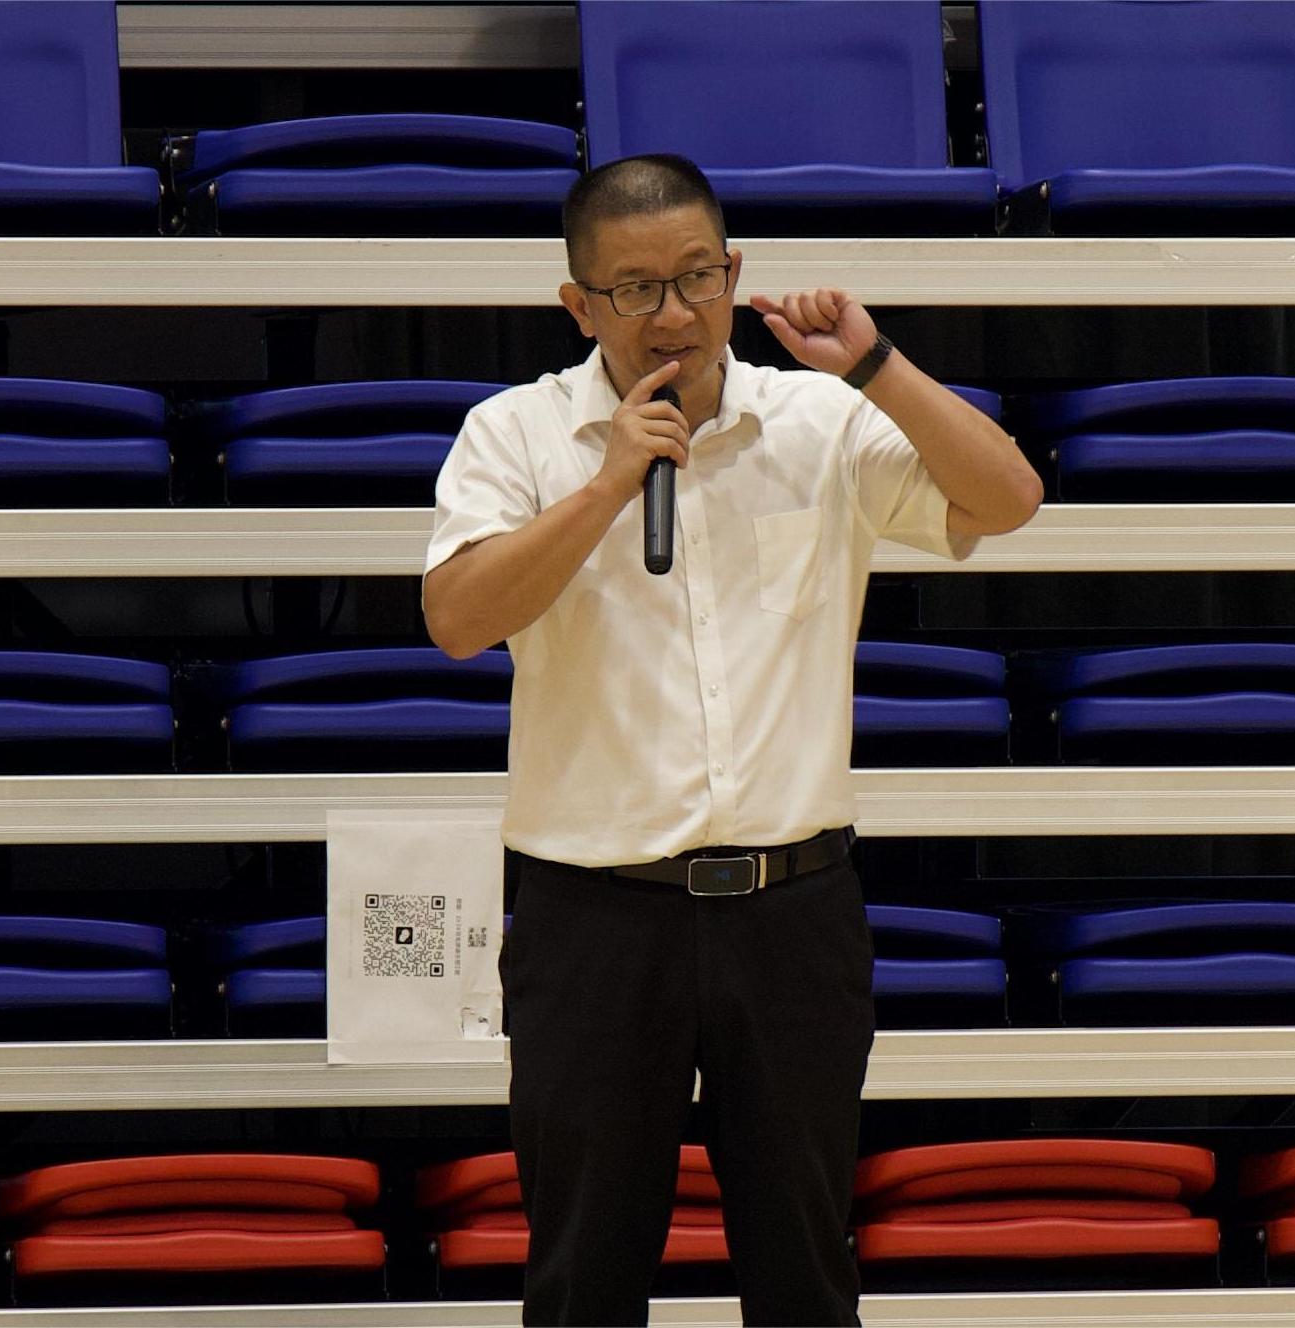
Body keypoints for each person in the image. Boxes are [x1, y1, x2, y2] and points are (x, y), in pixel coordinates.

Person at [423, 154, 1042, 1327]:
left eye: (698, 277)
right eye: (635, 289)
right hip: (595, 917)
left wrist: (875, 362)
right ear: (578, 304)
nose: (674, 314)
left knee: (805, 1271)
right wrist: (608, 481)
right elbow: (456, 619)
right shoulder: (515, 432)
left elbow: (1009, 497)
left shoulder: (821, 420)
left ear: (734, 270)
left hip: (793, 912)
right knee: (583, 1277)